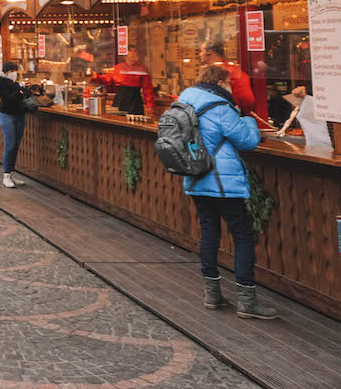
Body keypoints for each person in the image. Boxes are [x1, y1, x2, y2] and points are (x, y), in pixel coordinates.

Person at [178, 64, 278, 320]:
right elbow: (248, 141)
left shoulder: (184, 101)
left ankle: (212, 294)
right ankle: (247, 301)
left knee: (209, 232)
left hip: (196, 176)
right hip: (223, 181)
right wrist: (247, 119)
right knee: (243, 236)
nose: (232, 87)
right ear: (221, 83)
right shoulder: (220, 108)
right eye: (230, 83)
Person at [91, 46, 155, 115]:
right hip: (121, 99)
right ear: (125, 55)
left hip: (135, 100)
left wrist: (149, 104)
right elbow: (107, 78)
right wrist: (96, 77)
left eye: (135, 51)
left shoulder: (142, 69)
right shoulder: (118, 68)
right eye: (130, 51)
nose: (133, 53)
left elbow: (147, 88)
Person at [0, 62, 29, 189]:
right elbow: (8, 98)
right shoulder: (0, 83)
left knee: (16, 145)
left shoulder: (15, 84)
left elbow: (23, 95)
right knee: (10, 144)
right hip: (7, 115)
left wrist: (23, 90)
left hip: (19, 114)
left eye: (15, 70)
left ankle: (12, 173)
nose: (14, 73)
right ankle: (6, 175)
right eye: (12, 71)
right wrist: (20, 92)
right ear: (6, 72)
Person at [200, 40, 255, 117]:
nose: (200, 54)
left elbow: (246, 98)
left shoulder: (215, 73)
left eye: (202, 51)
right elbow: (247, 98)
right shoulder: (235, 70)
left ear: (209, 52)